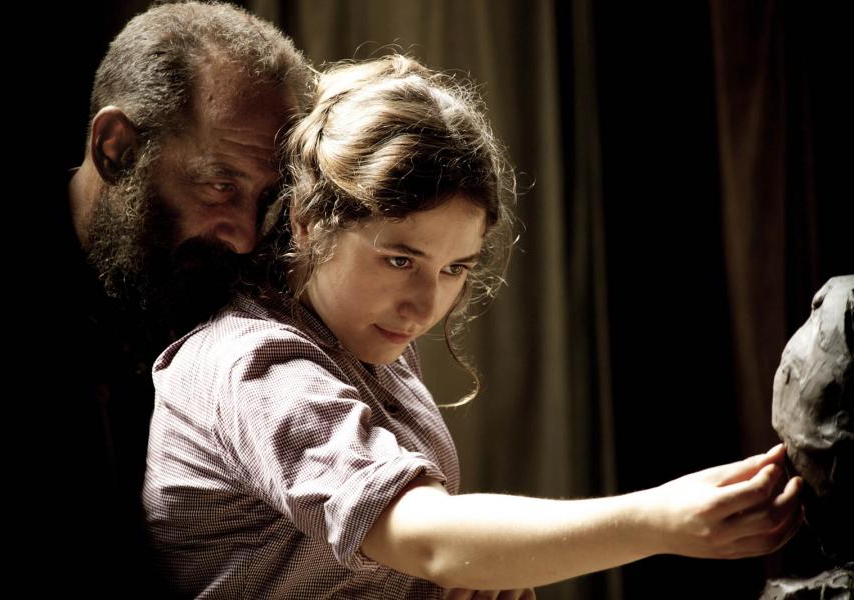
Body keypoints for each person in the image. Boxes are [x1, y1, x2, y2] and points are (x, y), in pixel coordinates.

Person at [143, 55, 803, 598]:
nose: (425, 305)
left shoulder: (365, 338)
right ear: (308, 223)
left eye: (455, 268)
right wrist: (658, 520)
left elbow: (425, 553)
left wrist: (475, 572)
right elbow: (427, 536)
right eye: (400, 259)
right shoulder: (256, 365)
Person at [50, 2, 308, 595]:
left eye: (265, 197)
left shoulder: (234, 288)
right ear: (117, 149)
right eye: (219, 185)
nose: (245, 236)